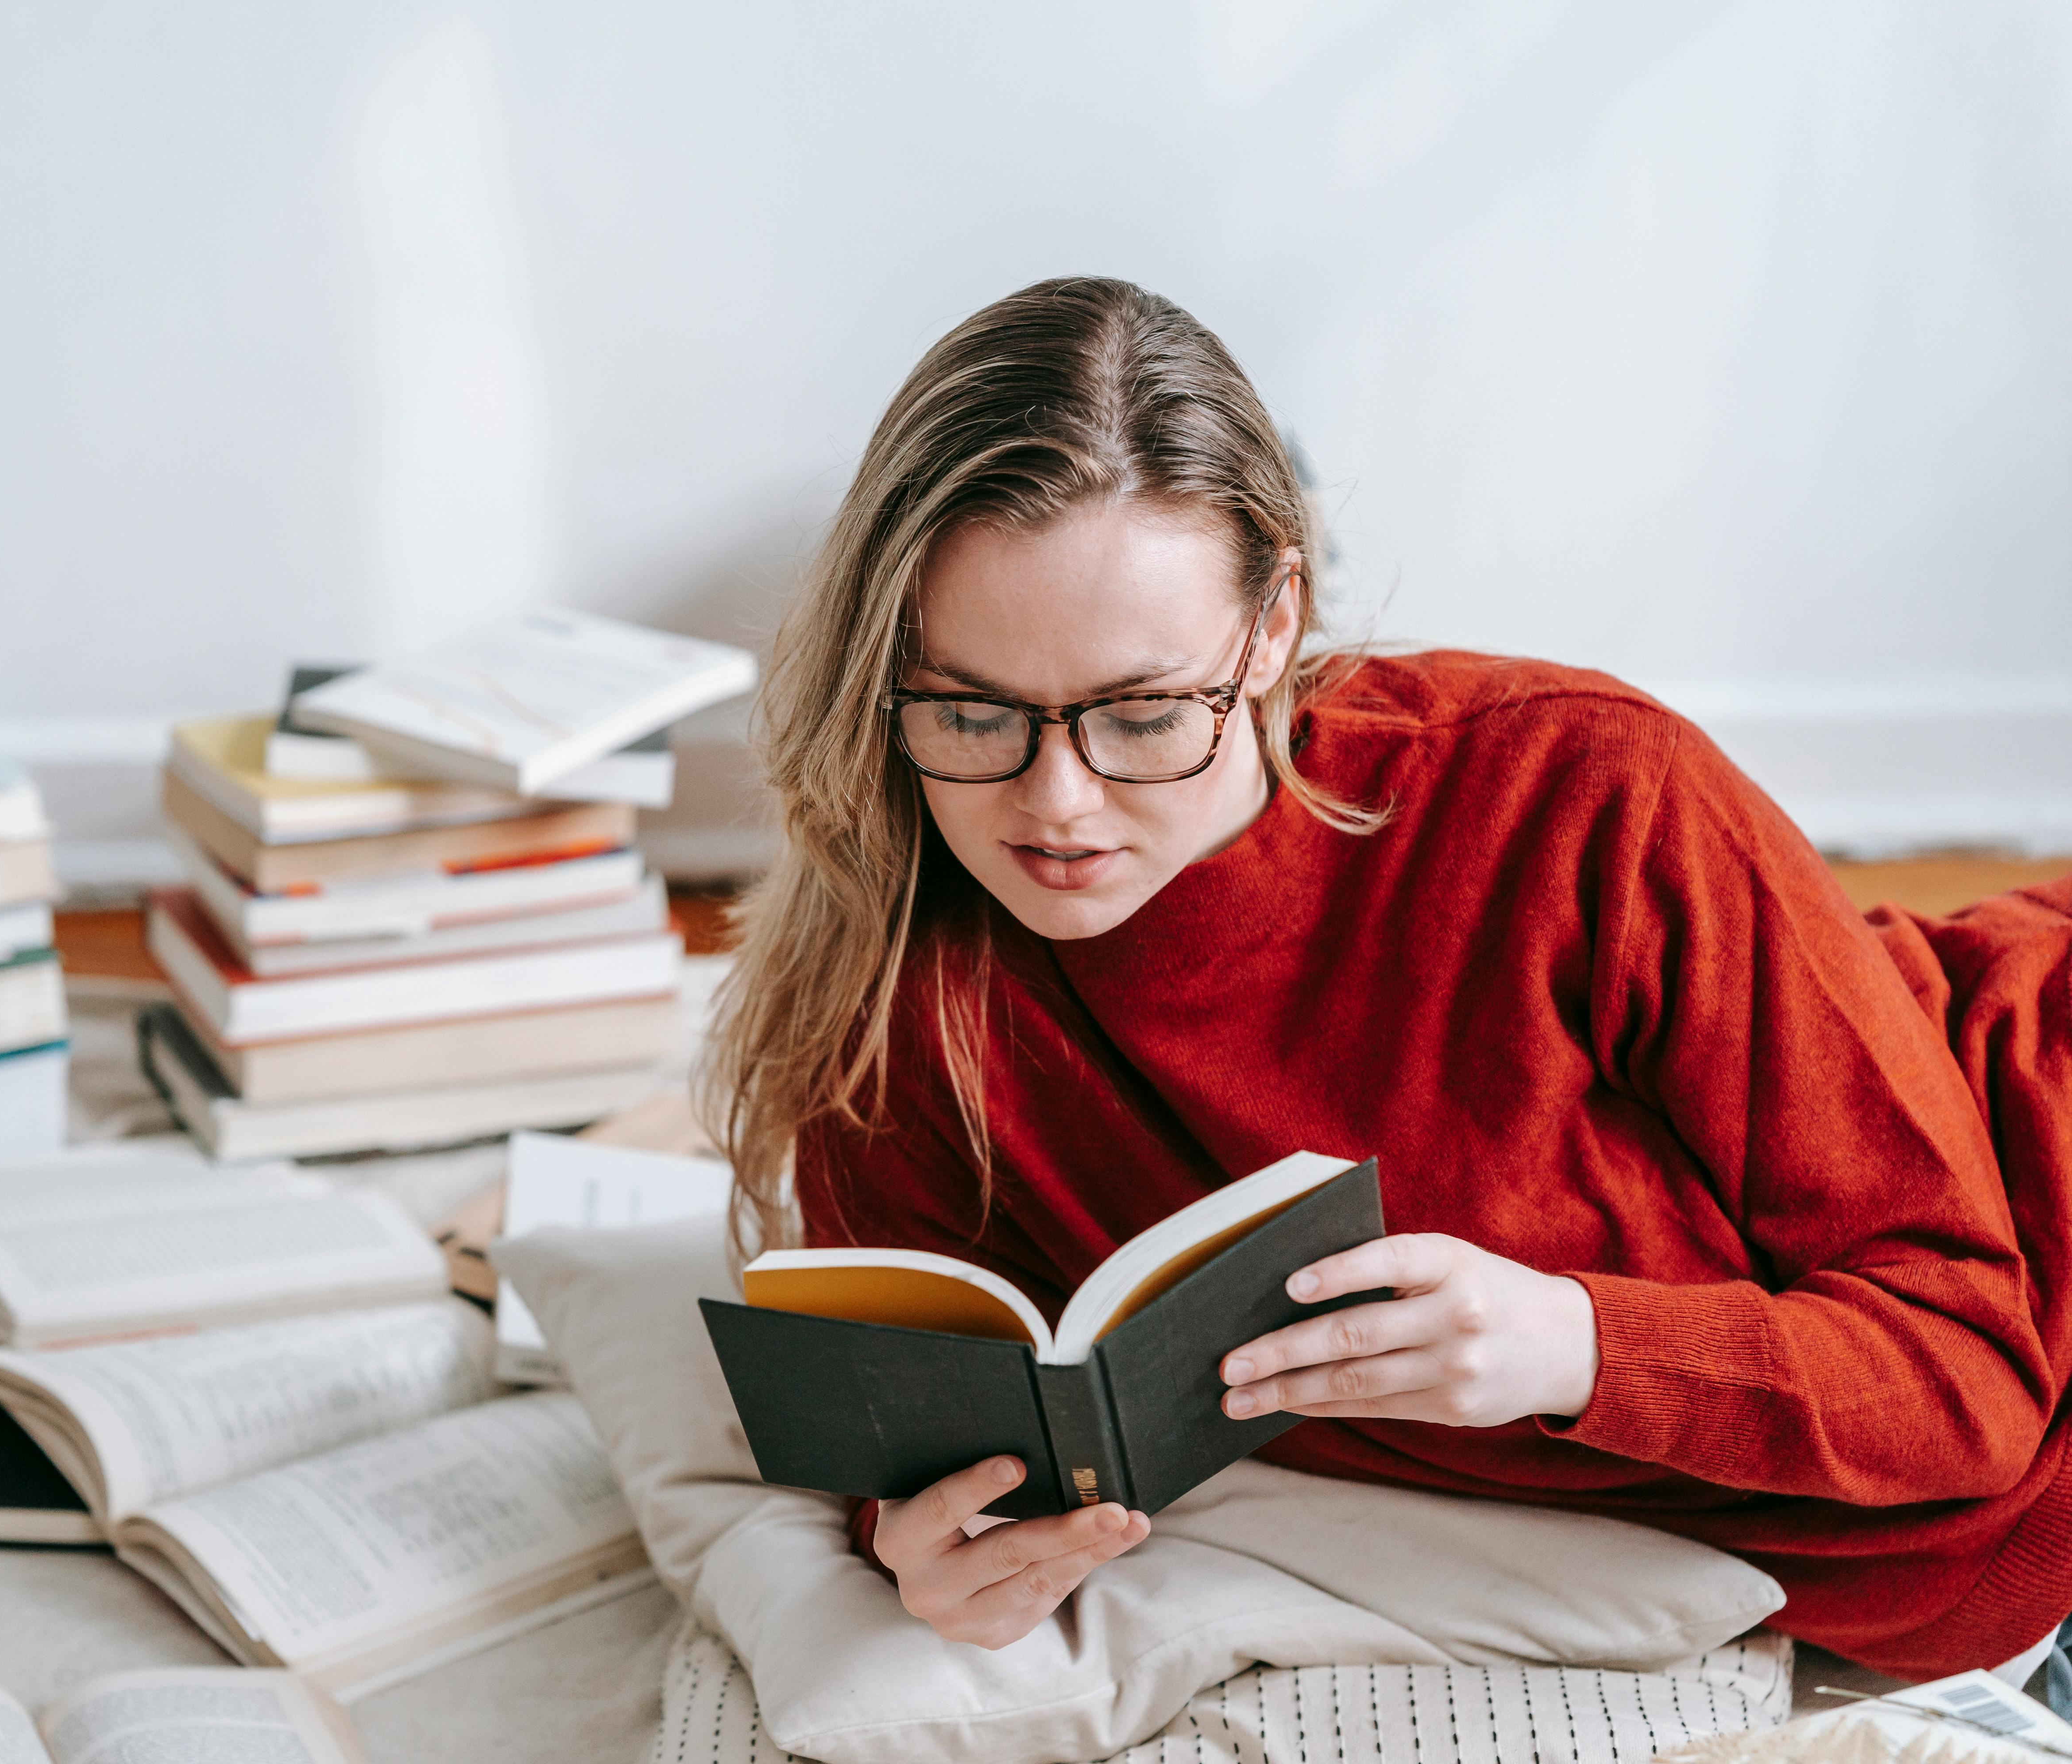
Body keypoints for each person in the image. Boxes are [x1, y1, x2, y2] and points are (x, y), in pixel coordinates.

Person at [701, 275, 2072, 1682]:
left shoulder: (1578, 787)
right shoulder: (889, 997)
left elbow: (1968, 1378)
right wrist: (932, 1549)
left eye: (1146, 713)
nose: (1060, 802)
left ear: (1278, 620)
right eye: (972, 710)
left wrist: (1572, 1345)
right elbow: (931, 1436)